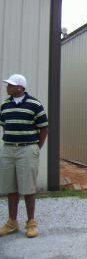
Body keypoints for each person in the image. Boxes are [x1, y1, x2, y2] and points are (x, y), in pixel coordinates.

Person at [0, 74, 48, 238]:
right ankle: (12, 222)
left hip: (27, 150)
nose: (7, 87)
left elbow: (44, 128)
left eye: (10, 85)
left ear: (20, 87)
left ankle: (31, 223)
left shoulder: (34, 104)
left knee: (28, 188)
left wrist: (36, 148)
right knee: (10, 188)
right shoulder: (4, 105)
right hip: (8, 150)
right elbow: (4, 127)